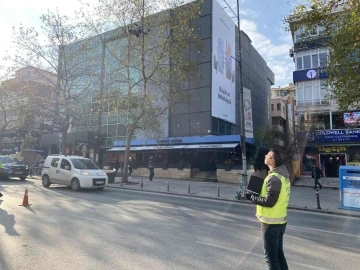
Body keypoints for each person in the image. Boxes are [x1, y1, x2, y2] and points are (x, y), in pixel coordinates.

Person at [245, 149, 291, 270]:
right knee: (279, 255)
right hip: (279, 222)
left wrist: (251, 197)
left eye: (268, 155)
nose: (265, 156)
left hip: (271, 224)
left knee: (271, 259)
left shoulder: (274, 178)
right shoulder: (281, 176)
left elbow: (269, 201)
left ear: (272, 160)